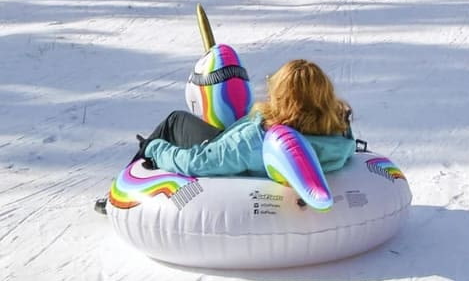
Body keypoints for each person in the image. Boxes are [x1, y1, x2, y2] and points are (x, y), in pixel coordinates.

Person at [95, 60, 355, 213]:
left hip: (223, 154)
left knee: (175, 121)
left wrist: (156, 148)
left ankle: (116, 199)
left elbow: (195, 162)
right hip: (254, 141)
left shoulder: (256, 140)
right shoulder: (337, 127)